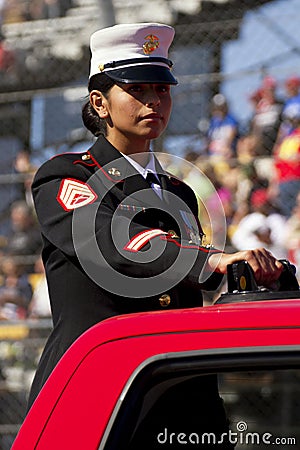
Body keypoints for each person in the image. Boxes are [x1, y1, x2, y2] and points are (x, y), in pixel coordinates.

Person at [26, 23, 283, 448]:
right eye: (138, 90)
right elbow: (110, 243)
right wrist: (211, 261)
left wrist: (251, 279)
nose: (153, 101)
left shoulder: (179, 193)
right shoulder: (67, 175)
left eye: (161, 90)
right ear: (99, 103)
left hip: (180, 402)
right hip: (97, 402)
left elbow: (188, 289)